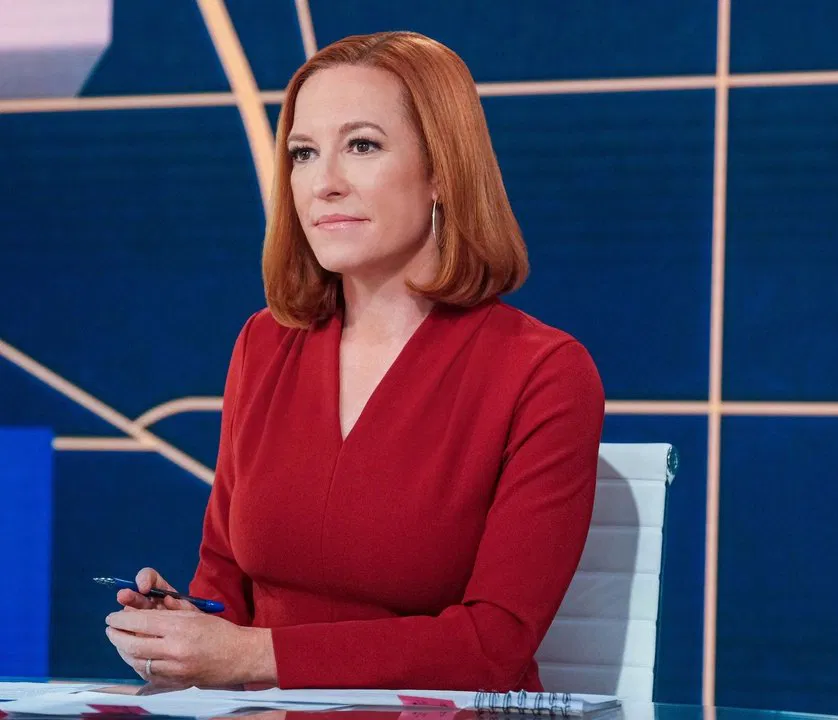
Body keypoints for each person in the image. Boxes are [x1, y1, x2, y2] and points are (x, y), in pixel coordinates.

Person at [103, 30, 606, 692]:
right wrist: (186, 632)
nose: (324, 184)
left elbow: (494, 645)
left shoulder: (544, 372)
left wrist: (256, 655)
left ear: (442, 171)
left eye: (362, 146)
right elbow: (225, 580)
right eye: (304, 154)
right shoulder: (265, 342)